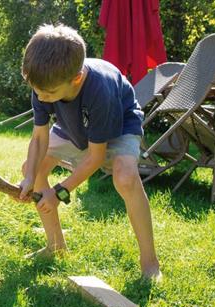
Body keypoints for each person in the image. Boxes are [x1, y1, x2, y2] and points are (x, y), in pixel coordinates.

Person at [17, 24, 161, 279]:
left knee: (125, 178)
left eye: (48, 93)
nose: (41, 97)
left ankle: (150, 263)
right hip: (74, 123)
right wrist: (30, 178)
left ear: (77, 78)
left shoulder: (100, 89)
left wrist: (58, 193)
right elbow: (39, 138)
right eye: (37, 92)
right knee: (33, 166)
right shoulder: (43, 83)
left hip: (118, 124)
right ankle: (55, 247)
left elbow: (95, 158)